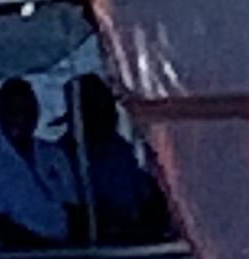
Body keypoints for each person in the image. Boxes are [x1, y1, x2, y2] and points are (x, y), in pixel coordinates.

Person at [55, 73, 173, 246]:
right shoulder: (58, 158)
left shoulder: (120, 151)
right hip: (90, 251)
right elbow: (69, 212)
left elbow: (143, 193)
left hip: (135, 242)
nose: (109, 116)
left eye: (109, 109)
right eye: (97, 110)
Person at [0, 79, 69, 251]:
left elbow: (72, 207)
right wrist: (41, 248)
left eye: (27, 111)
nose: (21, 119)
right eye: (13, 112)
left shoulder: (53, 155)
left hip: (63, 257)